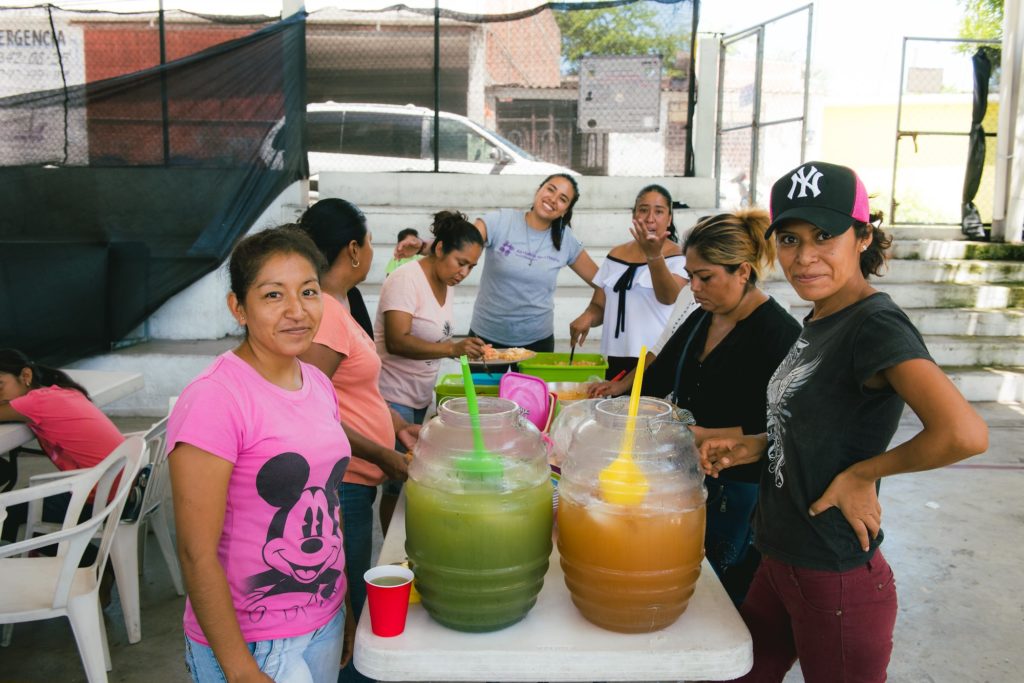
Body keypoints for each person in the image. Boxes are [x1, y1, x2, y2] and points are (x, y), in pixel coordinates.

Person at [700, 161, 989, 683]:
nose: (804, 256)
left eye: (825, 235)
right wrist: (754, 445)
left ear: (862, 237)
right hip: (779, 559)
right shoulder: (822, 317)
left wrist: (863, 474)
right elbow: (821, 424)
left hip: (833, 577)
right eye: (789, 238)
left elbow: (964, 434)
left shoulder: (874, 324)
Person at [168, 226, 353, 682]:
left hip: (321, 620)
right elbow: (195, 553)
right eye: (273, 295)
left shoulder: (318, 384)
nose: (296, 311)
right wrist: (240, 669)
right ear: (239, 308)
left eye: (308, 292)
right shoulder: (216, 398)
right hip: (253, 641)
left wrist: (342, 606)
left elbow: (329, 504)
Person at [602, 210, 801, 605]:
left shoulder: (781, 336)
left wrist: (713, 436)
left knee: (721, 597)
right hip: (685, 480)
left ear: (743, 271)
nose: (693, 287)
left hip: (740, 493)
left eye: (705, 277)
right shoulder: (699, 317)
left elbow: (795, 429)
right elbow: (657, 384)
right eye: (690, 275)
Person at [294, 198, 418, 683]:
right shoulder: (324, 311)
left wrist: (396, 424)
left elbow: (351, 389)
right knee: (348, 613)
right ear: (352, 248)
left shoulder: (343, 304)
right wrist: (383, 452)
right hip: (340, 483)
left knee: (356, 602)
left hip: (358, 477)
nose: (371, 251)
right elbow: (310, 408)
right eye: (369, 242)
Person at [0, 349, 125, 547]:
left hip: (102, 499)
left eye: (0, 385)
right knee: (23, 500)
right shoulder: (61, 392)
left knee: (8, 510)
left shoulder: (34, 402)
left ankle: (90, 563)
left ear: (25, 376)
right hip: (124, 488)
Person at [376, 210, 486, 425]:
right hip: (393, 399)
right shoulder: (406, 279)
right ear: (439, 248)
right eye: (460, 262)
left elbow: (433, 336)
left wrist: (466, 348)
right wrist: (452, 349)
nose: (464, 273)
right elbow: (396, 341)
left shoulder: (447, 281)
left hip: (420, 397)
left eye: (471, 267)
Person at [569, 184, 689, 379]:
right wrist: (588, 317)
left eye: (659, 211)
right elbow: (599, 305)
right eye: (643, 210)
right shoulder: (616, 254)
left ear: (669, 219)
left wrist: (653, 256)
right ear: (634, 215)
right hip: (616, 355)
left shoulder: (679, 256)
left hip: (656, 355)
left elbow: (668, 297)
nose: (650, 218)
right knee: (616, 407)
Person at [469, 173, 599, 352]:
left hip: (537, 344)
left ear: (566, 210)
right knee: (480, 383)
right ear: (539, 190)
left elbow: (604, 283)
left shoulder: (566, 240)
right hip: (484, 340)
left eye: (562, 199)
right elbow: (462, 244)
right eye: (550, 189)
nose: (553, 199)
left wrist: (590, 314)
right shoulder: (499, 221)